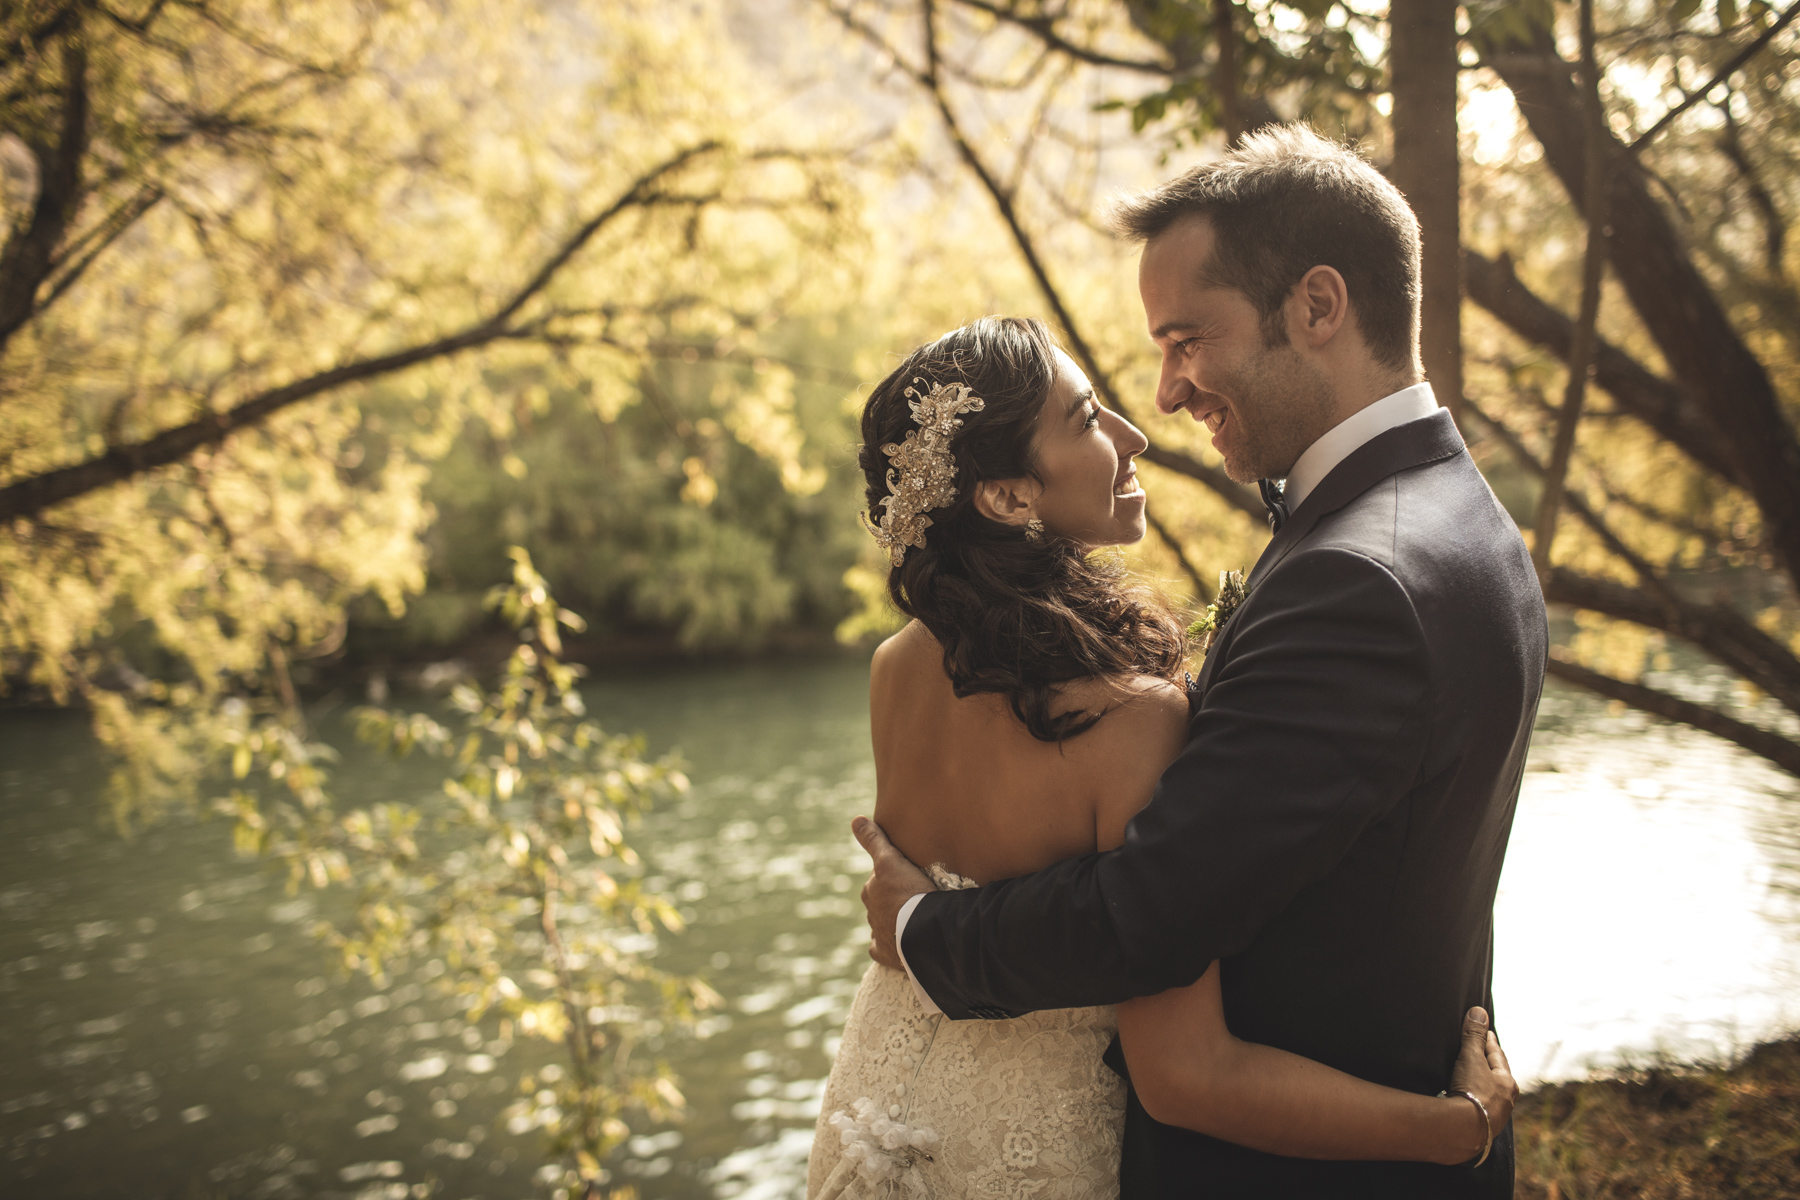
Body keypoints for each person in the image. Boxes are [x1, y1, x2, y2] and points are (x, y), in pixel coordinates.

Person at [852, 126, 1548, 1199]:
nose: (1165, 396)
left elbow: (1153, 916)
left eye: (1187, 340)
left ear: (1318, 307)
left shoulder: (1359, 576)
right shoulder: (1456, 521)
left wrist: (918, 926)